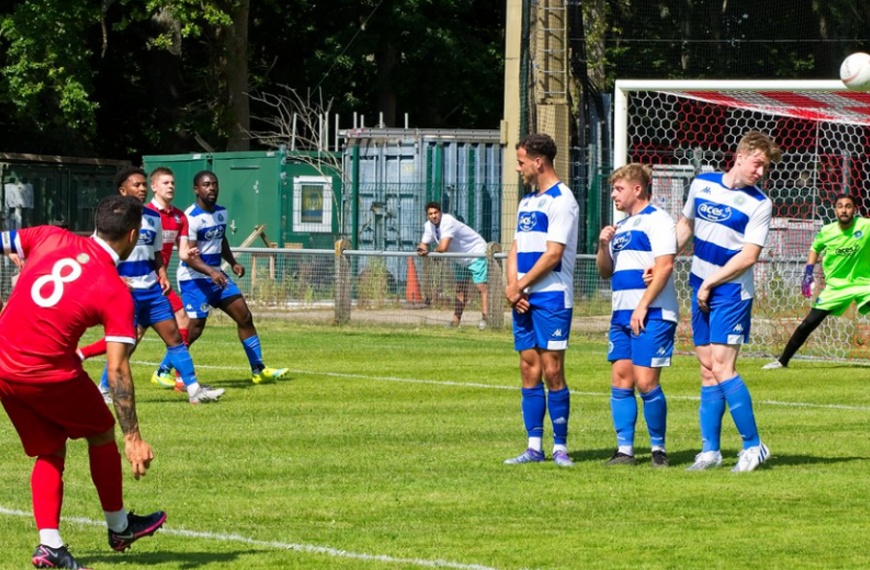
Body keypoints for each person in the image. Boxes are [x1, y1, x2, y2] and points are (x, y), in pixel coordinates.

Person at [0, 195, 166, 569]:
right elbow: (119, 369)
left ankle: (50, 545)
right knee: (103, 431)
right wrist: (133, 436)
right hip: (47, 373)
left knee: (50, 448)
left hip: (3, 367)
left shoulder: (48, 236)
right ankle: (120, 527)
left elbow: (4, 241)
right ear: (135, 234)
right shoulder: (114, 289)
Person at [677, 130, 782, 472]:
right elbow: (685, 225)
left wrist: (710, 282)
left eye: (765, 168)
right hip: (701, 285)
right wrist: (664, 257)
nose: (761, 173)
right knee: (707, 371)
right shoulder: (702, 184)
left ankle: (753, 446)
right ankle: (710, 451)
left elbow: (749, 256)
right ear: (740, 156)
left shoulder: (760, 204)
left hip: (731, 291)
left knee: (723, 367)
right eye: (758, 164)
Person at [95, 167, 223, 405]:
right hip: (125, 292)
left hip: (152, 290)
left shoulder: (153, 217)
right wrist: (113, 278)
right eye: (137, 185)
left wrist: (162, 273)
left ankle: (194, 390)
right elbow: (97, 250)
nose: (142, 189)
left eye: (144, 184)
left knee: (174, 336)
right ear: (123, 190)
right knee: (125, 343)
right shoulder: (112, 216)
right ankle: (103, 389)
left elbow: (156, 252)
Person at [503, 133, 580, 468]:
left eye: (521, 162)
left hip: (551, 297)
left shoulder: (562, 200)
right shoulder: (527, 202)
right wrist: (514, 287)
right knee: (527, 367)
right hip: (525, 295)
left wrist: (520, 285)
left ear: (538, 162)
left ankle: (560, 446)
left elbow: (553, 255)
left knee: (552, 370)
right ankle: (534, 446)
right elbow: (516, 248)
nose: (518, 168)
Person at [597, 164, 677, 468]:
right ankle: (625, 450)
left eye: (618, 188)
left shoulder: (658, 220)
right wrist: (603, 246)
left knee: (646, 382)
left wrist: (643, 304)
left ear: (637, 189)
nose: (614, 195)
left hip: (652, 313)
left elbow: (665, 266)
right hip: (621, 315)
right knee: (620, 379)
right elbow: (606, 272)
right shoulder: (622, 227)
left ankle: (658, 449)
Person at [177, 170, 288, 384]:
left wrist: (233, 262)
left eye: (215, 184)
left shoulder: (222, 212)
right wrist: (211, 271)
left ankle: (258, 370)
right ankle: (164, 369)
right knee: (196, 328)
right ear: (196, 189)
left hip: (217, 276)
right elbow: (189, 256)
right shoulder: (190, 217)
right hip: (194, 279)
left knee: (244, 316)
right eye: (206, 184)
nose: (212, 188)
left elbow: (221, 239)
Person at [763, 194, 870, 369]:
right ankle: (782, 361)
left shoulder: (865, 226)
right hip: (836, 287)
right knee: (809, 323)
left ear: (855, 209)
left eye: (848, 206)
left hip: (864, 284)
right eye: (840, 206)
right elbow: (815, 248)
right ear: (835, 209)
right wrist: (808, 272)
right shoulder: (827, 231)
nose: (844, 210)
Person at [147, 166, 195, 389]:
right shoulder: (145, 214)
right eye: (165, 183)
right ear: (153, 186)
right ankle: (105, 383)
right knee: (132, 336)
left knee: (183, 318)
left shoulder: (179, 217)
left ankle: (178, 377)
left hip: (161, 282)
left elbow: (183, 252)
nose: (171, 186)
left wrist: (191, 253)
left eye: (173, 183)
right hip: (142, 281)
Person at [416, 202, 489, 329]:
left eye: (436, 213)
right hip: (459, 259)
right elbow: (424, 243)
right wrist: (421, 249)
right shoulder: (429, 226)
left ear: (440, 213)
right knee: (460, 290)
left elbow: (443, 247)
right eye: (430, 214)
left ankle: (486, 320)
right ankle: (455, 322)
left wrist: (433, 253)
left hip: (475, 253)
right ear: (427, 216)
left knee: (481, 287)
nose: (434, 216)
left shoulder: (448, 222)